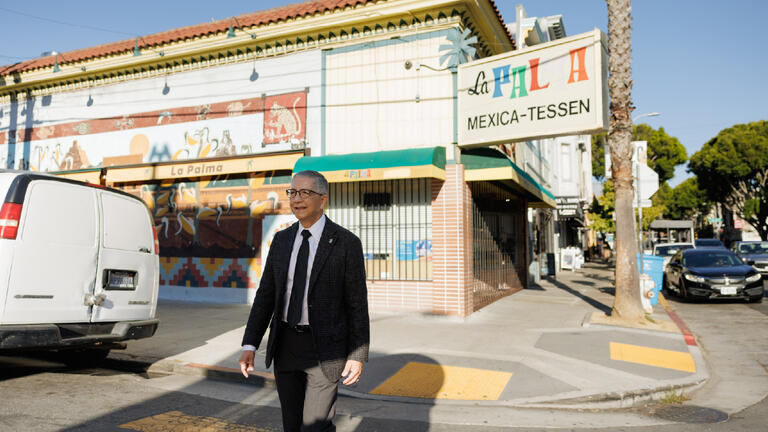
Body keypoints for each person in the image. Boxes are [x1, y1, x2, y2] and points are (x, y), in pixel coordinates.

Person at [239, 170, 369, 431]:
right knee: (292, 424)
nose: (297, 199)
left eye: (305, 192)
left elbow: (356, 303)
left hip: (325, 349)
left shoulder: (346, 243)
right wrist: (250, 343)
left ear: (323, 199)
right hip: (285, 345)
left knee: (314, 426)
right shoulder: (281, 240)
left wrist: (357, 354)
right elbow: (266, 295)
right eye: (293, 192)